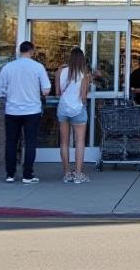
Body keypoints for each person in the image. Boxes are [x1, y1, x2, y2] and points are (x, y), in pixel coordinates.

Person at [0, 40, 52, 184]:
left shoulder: (8, 67)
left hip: (12, 110)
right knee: (30, 142)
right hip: (32, 110)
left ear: (19, 51)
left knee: (11, 142)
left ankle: (10, 174)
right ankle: (27, 174)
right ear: (32, 51)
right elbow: (46, 89)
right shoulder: (38, 67)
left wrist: (6, 94)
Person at [57, 47, 92, 183]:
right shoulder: (84, 74)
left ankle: (67, 173)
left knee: (64, 142)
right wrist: (84, 103)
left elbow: (58, 92)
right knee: (79, 142)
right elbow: (83, 96)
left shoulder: (61, 72)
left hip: (63, 108)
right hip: (78, 109)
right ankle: (78, 174)